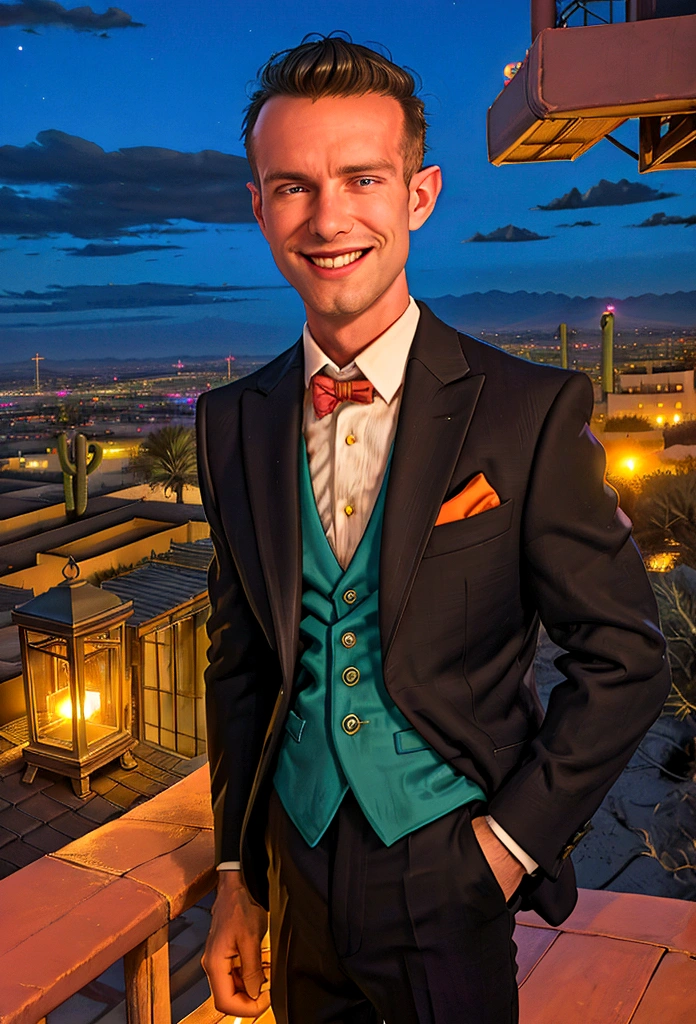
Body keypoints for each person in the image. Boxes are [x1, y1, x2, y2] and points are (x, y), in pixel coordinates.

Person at [196, 34, 670, 1024]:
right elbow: (241, 662)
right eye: (293, 186)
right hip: (296, 870)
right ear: (258, 205)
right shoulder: (230, 421)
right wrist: (237, 872)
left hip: (451, 873)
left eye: (362, 178)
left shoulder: (527, 411)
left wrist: (503, 849)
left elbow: (624, 656)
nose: (328, 219)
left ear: (419, 195)